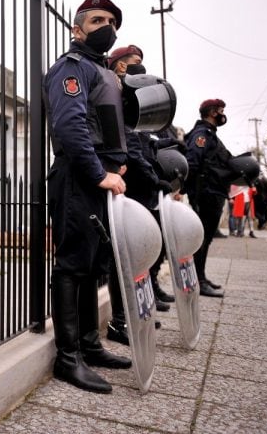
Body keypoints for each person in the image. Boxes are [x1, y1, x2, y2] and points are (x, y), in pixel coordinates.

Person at [44, 0, 131, 394]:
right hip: (79, 177)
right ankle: (67, 358)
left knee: (93, 265)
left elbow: (106, 125)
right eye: (97, 20)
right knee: (72, 264)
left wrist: (117, 164)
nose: (106, 26)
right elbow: (70, 127)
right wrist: (100, 173)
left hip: (98, 177)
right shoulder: (71, 67)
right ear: (77, 29)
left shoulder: (104, 72)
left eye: (111, 21)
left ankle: (90, 345)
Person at [104, 45, 174, 346]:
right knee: (123, 260)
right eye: (133, 63)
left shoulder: (135, 106)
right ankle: (121, 319)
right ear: (119, 66)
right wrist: (156, 180)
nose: (138, 68)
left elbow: (147, 148)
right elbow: (132, 151)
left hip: (139, 195)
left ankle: (135, 312)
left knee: (136, 259)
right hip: (126, 191)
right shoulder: (117, 99)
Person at [183, 99, 235, 298]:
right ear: (213, 112)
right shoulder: (202, 135)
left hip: (214, 193)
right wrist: (192, 192)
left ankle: (201, 277)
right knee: (201, 240)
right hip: (205, 195)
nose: (223, 114)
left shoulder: (211, 135)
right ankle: (198, 280)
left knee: (206, 239)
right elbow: (192, 164)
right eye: (221, 110)